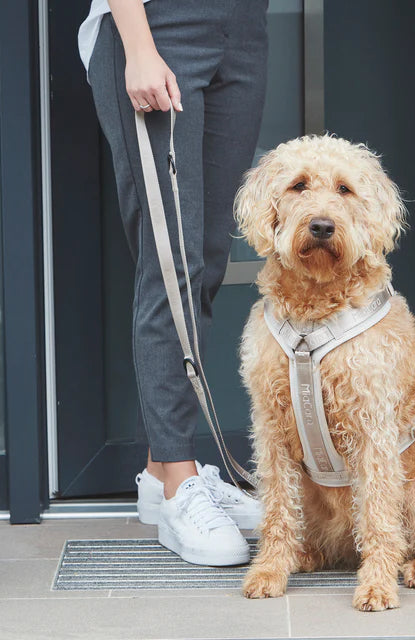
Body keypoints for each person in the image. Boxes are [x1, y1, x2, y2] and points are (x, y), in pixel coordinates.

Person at [78, 0, 267, 566]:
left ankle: (159, 473)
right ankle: (179, 480)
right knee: (170, 261)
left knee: (206, 258)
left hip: (244, 27)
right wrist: (137, 46)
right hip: (158, 22)